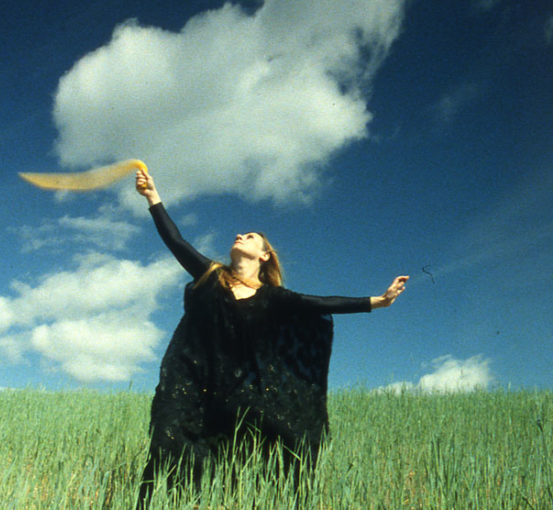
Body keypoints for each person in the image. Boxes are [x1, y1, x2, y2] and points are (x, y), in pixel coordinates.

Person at [134, 168, 408, 507]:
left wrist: (377, 302)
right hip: (192, 381)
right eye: (240, 234)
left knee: (268, 440)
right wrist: (152, 197)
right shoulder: (211, 276)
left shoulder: (273, 297)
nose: (240, 235)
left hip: (241, 389)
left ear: (264, 255)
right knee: (170, 438)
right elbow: (176, 242)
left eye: (250, 236)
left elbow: (317, 304)